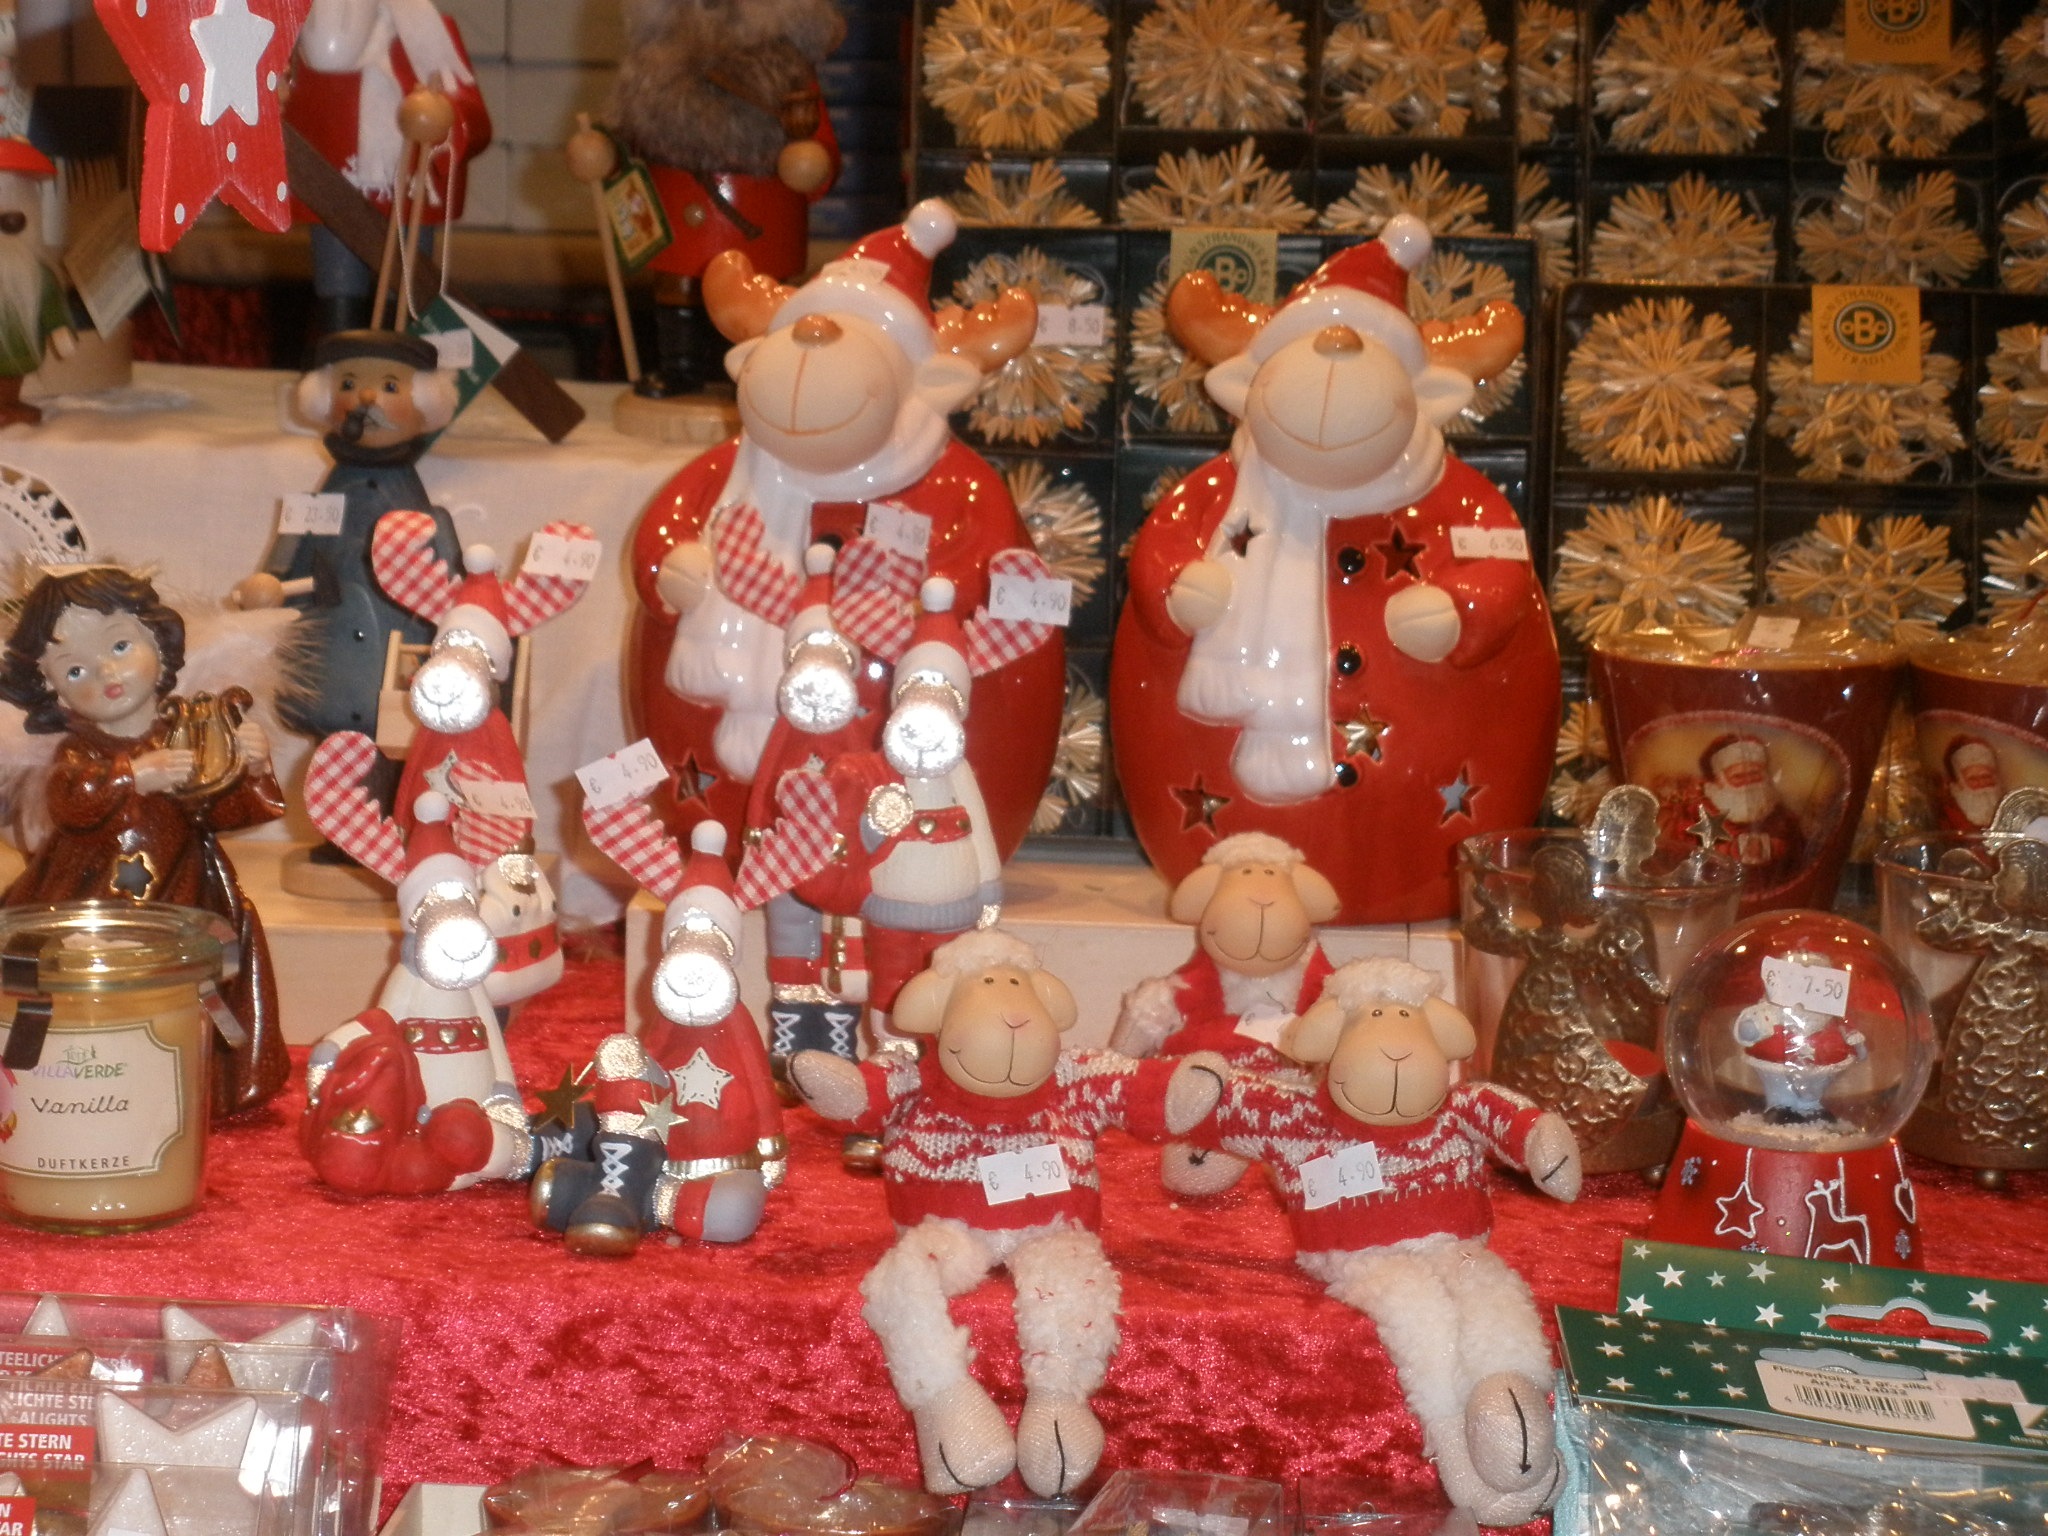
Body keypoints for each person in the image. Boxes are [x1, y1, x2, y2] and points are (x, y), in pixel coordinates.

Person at [0, 569, 288, 1117]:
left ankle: (195, 1085)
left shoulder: (187, 732)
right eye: (76, 669)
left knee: (194, 976)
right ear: (50, 687)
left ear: (158, 641)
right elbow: (71, 800)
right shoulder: (79, 751)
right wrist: (132, 774)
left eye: (120, 646)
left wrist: (249, 765)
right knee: (65, 972)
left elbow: (221, 810)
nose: (106, 673)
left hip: (184, 889)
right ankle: (68, 1077)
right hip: (90, 893)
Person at [1939, 735, 2003, 831]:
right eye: (1973, 779)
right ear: (1957, 784)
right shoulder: (1946, 816)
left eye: (1986, 776)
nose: (1981, 783)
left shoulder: (2009, 810)